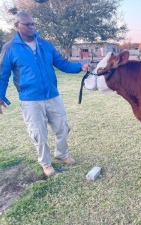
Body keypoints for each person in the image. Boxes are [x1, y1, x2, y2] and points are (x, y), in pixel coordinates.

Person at [0, 11, 92, 176]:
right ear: (16, 25)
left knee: (63, 127)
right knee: (39, 134)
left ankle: (61, 154)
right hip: (30, 100)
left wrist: (80, 67)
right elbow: (3, 75)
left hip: (52, 95)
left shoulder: (45, 44)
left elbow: (62, 64)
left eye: (33, 24)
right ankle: (46, 163)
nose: (31, 27)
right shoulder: (10, 48)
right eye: (27, 24)